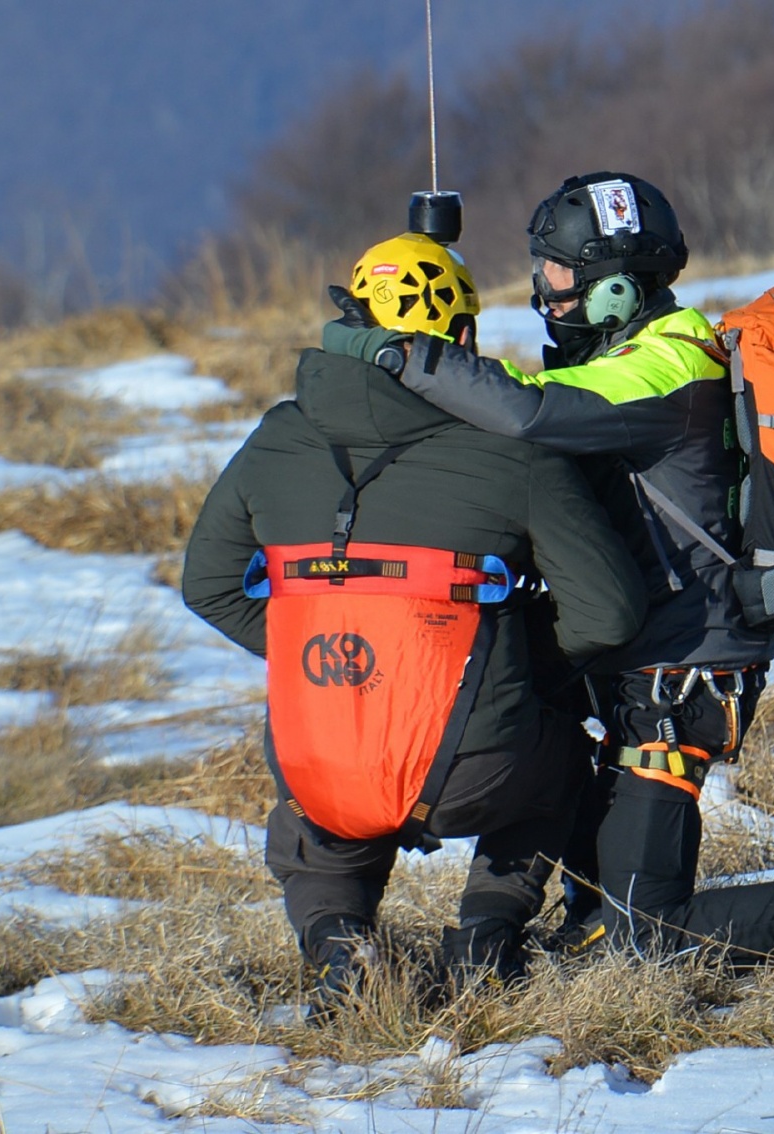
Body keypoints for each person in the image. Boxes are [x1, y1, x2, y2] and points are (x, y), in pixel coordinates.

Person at [321, 172, 774, 974]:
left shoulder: (662, 365)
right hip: (641, 657)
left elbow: (531, 408)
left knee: (650, 941)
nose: (545, 293)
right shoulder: (633, 356)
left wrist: (396, 352)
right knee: (584, 864)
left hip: (683, 679)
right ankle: (572, 920)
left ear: (614, 290)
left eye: (560, 277)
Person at [182, 231, 647, 1006]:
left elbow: (208, 585)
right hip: (477, 768)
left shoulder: (277, 439)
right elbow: (610, 609)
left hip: (320, 762)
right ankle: (487, 936)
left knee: (320, 794)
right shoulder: (512, 450)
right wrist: (499, 662)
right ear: (461, 339)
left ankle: (339, 945)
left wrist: (325, 649)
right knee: (558, 755)